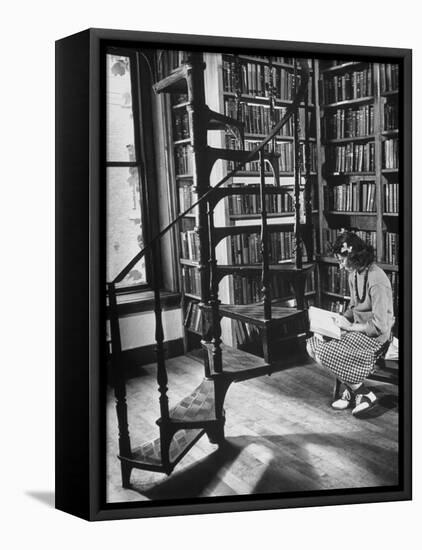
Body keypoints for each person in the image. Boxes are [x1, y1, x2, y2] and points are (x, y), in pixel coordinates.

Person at [306, 231, 395, 417]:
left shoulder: (377, 279)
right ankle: (354, 389)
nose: (340, 266)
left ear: (353, 256)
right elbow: (354, 307)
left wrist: (350, 327)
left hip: (376, 338)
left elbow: (380, 326)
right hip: (356, 331)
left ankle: (363, 393)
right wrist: (337, 320)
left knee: (324, 351)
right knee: (313, 344)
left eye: (341, 260)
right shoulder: (354, 274)